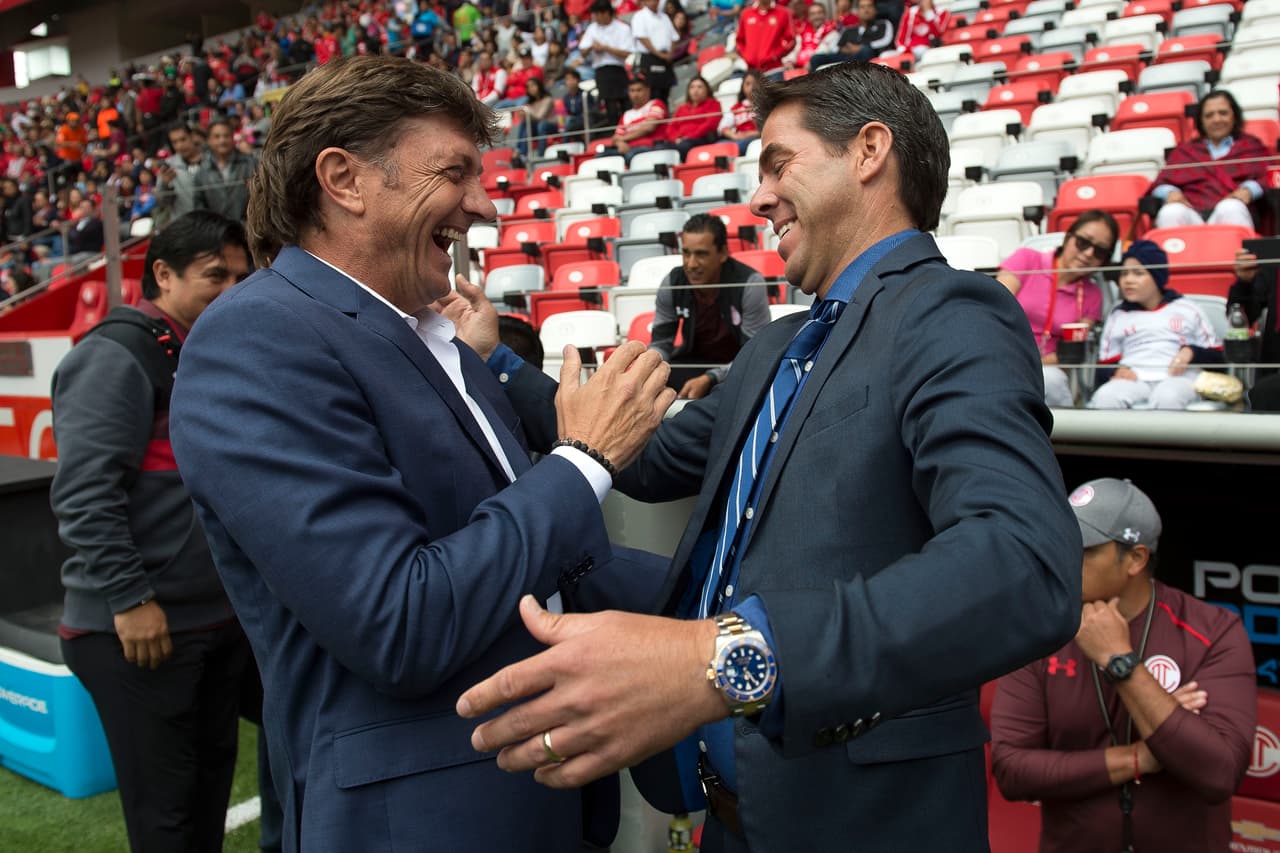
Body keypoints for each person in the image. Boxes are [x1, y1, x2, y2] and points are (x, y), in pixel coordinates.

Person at [446, 61, 1081, 851]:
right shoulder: (779, 343)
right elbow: (642, 458)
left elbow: (1024, 564)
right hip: (733, 821)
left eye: (779, 162)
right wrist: (496, 362)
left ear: (869, 151)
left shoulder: (948, 313)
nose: (760, 195)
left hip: (860, 825)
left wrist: (721, 659)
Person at [166, 56, 675, 853]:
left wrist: (736, 592)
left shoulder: (433, 340)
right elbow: (398, 620)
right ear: (343, 179)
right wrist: (582, 459)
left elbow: (542, 570)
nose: (483, 201)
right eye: (455, 172)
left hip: (535, 802)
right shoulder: (255, 338)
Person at [50, 210, 255, 853]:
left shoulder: (207, 347)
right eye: (214, 276)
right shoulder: (116, 354)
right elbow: (85, 494)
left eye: (240, 277)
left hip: (212, 623)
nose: (231, 290)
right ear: (161, 275)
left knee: (206, 799)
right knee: (165, 817)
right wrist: (132, 601)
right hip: (140, 630)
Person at [991, 477, 1256, 853]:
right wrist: (1142, 757)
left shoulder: (1212, 631)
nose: (1064, 559)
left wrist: (1121, 663)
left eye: (1084, 550)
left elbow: (1218, 772)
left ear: (1135, 559)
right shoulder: (1041, 629)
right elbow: (1012, 771)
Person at [996, 210, 1118, 408]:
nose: (1088, 254)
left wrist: (1032, 365)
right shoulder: (1027, 259)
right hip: (1002, 353)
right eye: (1083, 242)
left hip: (1047, 368)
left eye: (1100, 251)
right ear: (1069, 238)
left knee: (1051, 381)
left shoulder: (1092, 294)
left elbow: (1072, 352)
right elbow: (993, 310)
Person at [1089, 240, 1224, 410]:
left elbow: (1218, 357)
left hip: (1179, 378)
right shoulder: (1118, 315)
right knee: (1106, 397)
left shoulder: (1187, 308)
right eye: (1124, 274)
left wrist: (1191, 352)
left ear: (1157, 276)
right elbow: (1103, 365)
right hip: (1135, 378)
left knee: (1167, 397)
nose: (1128, 280)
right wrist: (1114, 371)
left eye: (1138, 273)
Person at [648, 213, 770, 398]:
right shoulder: (672, 282)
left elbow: (753, 355)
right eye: (686, 253)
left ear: (722, 253)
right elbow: (660, 343)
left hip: (737, 367)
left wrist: (711, 378)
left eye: (701, 254)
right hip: (693, 366)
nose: (691, 264)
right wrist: (648, 366)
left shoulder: (749, 284)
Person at [1148, 89, 1269, 230]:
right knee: (1171, 212)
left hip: (1232, 212)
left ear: (1234, 116)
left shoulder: (1251, 146)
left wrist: (1249, 190)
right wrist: (1170, 192)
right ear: (1201, 121)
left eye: (1223, 113)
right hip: (1193, 215)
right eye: (1209, 115)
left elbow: (1268, 177)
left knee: (1230, 207)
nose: (1216, 119)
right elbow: (1160, 184)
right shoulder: (1185, 151)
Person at [1230, 243, 1280, 410]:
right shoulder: (1274, 260)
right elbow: (1243, 317)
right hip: (1274, 373)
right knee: (1264, 393)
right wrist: (1244, 283)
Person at [578, 0, 634, 132]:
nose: (595, 18)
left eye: (597, 14)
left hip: (618, 69)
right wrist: (593, 46)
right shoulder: (592, 28)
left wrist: (605, 48)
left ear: (606, 13)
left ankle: (629, 130)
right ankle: (616, 132)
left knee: (625, 102)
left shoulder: (622, 28)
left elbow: (627, 52)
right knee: (610, 105)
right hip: (601, 71)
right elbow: (583, 51)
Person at [193, 118, 257, 222]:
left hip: (248, 230)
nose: (222, 141)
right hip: (217, 234)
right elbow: (200, 209)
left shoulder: (251, 164)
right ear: (209, 140)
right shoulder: (201, 173)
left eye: (226, 136)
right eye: (217, 137)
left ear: (232, 138)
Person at [808, 0, 896, 70]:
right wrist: (845, 49)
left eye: (869, 6)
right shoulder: (849, 30)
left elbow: (886, 40)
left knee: (866, 51)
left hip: (868, 55)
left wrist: (861, 47)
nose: (866, 10)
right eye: (862, 7)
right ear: (857, 11)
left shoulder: (883, 24)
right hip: (845, 57)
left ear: (875, 10)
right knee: (816, 58)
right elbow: (836, 47)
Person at [600, 75, 668, 159]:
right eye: (632, 91)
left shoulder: (656, 104)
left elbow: (648, 128)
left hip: (650, 148)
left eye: (639, 90)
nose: (635, 94)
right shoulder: (626, 114)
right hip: (628, 149)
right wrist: (620, 143)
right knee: (601, 156)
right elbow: (616, 138)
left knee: (631, 156)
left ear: (648, 90)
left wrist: (623, 139)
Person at [631, 0, 680, 105]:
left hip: (666, 58)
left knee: (665, 93)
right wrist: (659, 54)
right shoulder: (639, 16)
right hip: (650, 58)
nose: (654, 2)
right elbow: (643, 39)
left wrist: (670, 53)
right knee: (652, 94)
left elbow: (673, 37)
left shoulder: (664, 17)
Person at [664, 76, 724, 158]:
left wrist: (689, 137)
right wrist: (676, 139)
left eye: (699, 87)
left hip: (700, 139)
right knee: (661, 148)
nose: (695, 91)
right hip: (680, 141)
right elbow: (671, 127)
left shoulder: (713, 104)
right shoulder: (681, 108)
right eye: (692, 87)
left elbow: (710, 124)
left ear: (707, 90)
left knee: (682, 147)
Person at [736, 0, 796, 75]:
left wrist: (774, 56)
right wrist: (747, 57)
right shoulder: (746, 13)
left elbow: (790, 40)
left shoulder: (784, 13)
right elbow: (739, 41)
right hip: (752, 71)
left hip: (774, 70)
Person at [718, 69, 763, 155]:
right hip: (738, 139)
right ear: (743, 87)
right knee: (718, 146)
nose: (752, 87)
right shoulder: (736, 107)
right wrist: (734, 136)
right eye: (748, 84)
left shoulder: (766, 104)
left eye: (755, 83)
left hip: (757, 139)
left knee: (737, 147)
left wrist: (754, 133)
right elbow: (722, 127)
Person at [516, 77, 558, 157]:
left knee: (541, 125)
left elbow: (540, 117)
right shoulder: (530, 103)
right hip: (537, 127)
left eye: (533, 85)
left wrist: (527, 113)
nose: (531, 88)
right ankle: (522, 154)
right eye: (528, 87)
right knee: (526, 124)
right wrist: (523, 115)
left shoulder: (547, 99)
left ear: (539, 86)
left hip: (550, 125)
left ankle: (540, 155)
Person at [790, 2, 838, 70]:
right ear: (809, 17)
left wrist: (810, 62)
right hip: (797, 68)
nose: (816, 16)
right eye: (813, 14)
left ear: (825, 15)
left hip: (820, 70)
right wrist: (789, 61)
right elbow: (795, 48)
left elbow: (824, 51)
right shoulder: (802, 31)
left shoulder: (832, 32)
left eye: (819, 13)